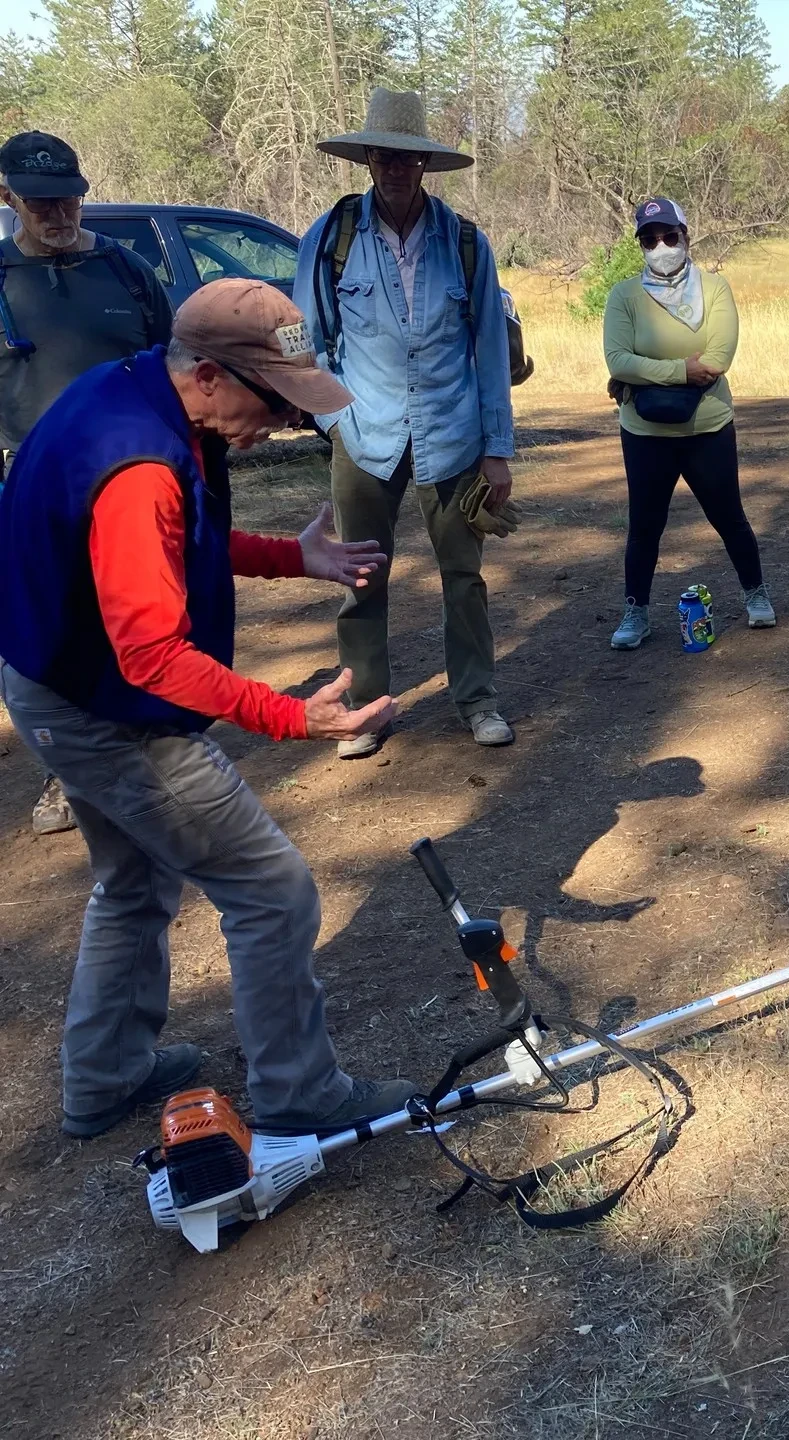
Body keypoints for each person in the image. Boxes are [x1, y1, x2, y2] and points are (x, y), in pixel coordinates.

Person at [0, 278, 413, 1139]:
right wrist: (292, 717)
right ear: (213, 378)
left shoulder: (136, 396)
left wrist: (290, 559)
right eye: (279, 402)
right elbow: (150, 656)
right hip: (103, 711)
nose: (286, 425)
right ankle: (302, 1095)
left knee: (133, 880)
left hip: (54, 686)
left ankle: (105, 1075)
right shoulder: (142, 463)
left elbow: (176, 540)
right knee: (272, 890)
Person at [294, 88, 516, 757]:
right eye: (384, 155)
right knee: (362, 575)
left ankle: (478, 700)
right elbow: (308, 341)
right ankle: (366, 707)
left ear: (426, 165)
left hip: (452, 436)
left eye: (408, 157)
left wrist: (497, 449)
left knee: (464, 576)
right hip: (363, 436)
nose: (395, 168)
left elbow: (491, 352)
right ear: (367, 158)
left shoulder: (467, 244)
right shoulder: (329, 239)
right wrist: (331, 422)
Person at [0, 131, 173, 836]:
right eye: (40, 201)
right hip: (35, 488)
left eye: (69, 197)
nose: (57, 212)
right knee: (58, 629)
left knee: (144, 615)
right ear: (8, 197)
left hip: (131, 478)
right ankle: (64, 778)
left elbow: (173, 362)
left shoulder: (125, 269)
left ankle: (151, 745)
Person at [602, 197, 772, 649]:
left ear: (686, 236)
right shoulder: (624, 296)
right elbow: (617, 359)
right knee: (644, 526)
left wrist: (643, 373)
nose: (661, 246)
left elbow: (718, 358)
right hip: (645, 433)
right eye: (650, 239)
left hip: (708, 427)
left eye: (669, 236)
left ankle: (756, 594)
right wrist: (681, 371)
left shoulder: (715, 289)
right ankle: (635, 612)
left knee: (729, 516)